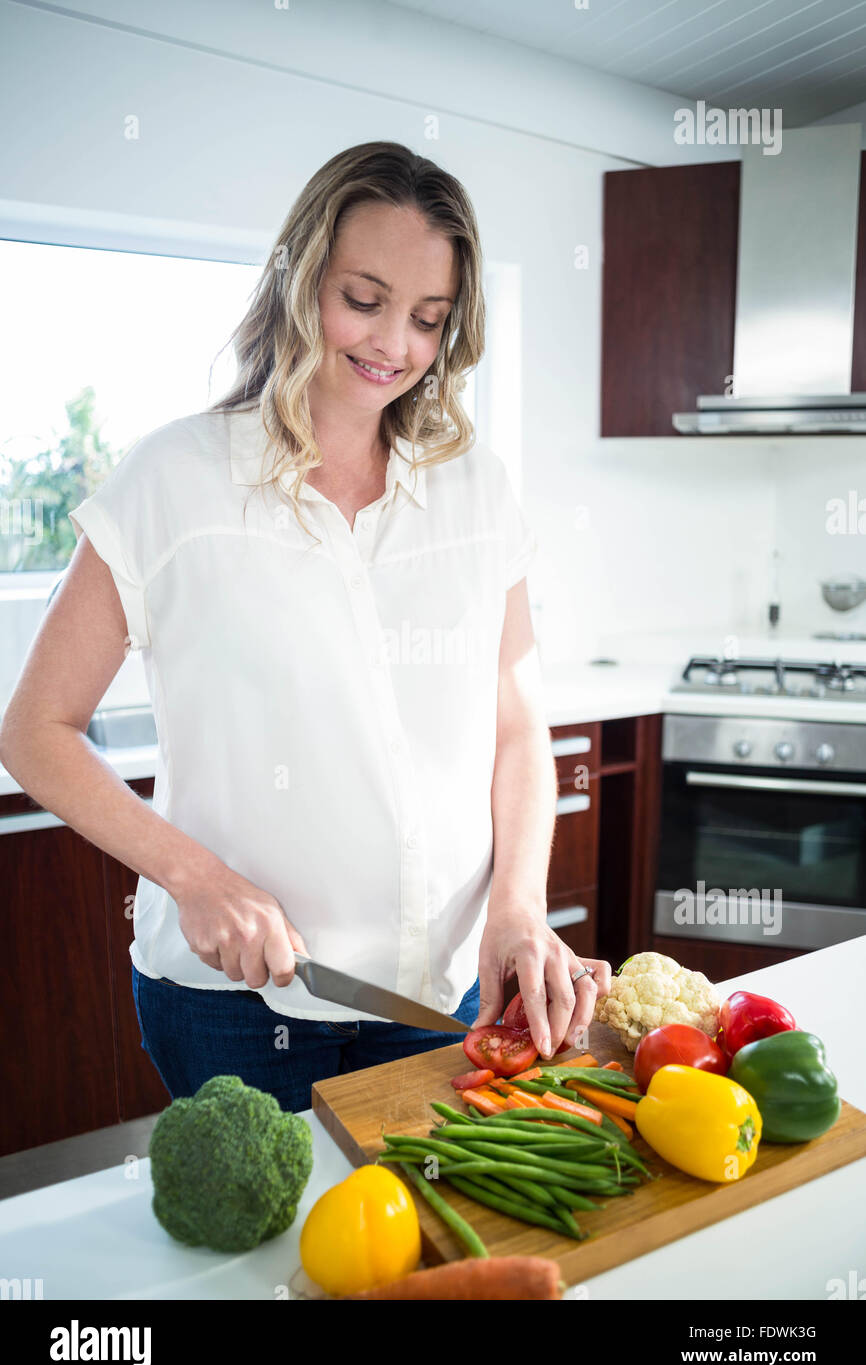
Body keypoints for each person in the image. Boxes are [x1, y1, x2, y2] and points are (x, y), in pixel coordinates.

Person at [0, 141, 610, 1114]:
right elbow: (35, 730)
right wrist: (194, 877)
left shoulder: (475, 489)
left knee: (425, 1253)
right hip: (242, 1007)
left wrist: (516, 908)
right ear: (296, 281)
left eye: (426, 317)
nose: (393, 345)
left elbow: (513, 725)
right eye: (362, 299)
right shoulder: (174, 482)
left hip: (441, 990)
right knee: (283, 1261)